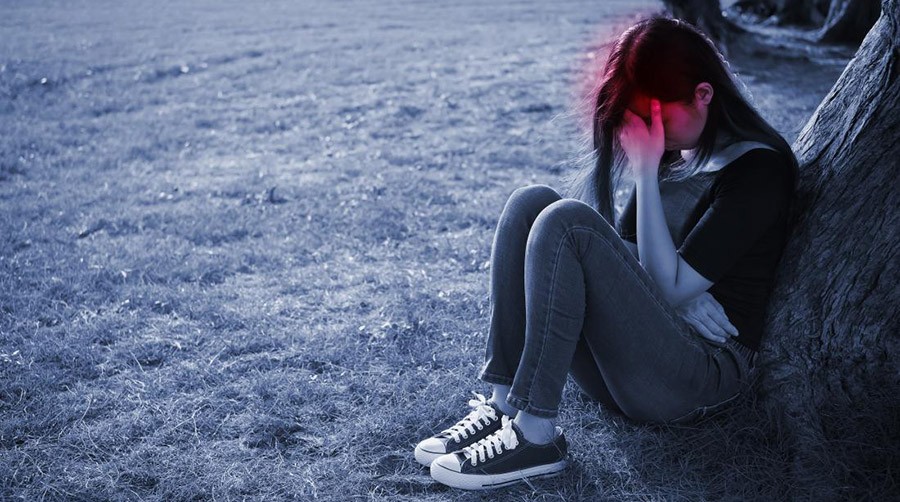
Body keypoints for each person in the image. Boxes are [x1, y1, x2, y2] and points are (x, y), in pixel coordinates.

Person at [414, 14, 799, 491]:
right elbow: (637, 265)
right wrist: (679, 294)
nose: (652, 135)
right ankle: (504, 405)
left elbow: (665, 283)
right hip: (641, 360)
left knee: (568, 222)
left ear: (703, 94)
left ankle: (536, 436)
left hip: (699, 374)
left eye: (660, 119)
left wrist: (646, 175)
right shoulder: (675, 152)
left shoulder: (759, 170)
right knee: (530, 203)